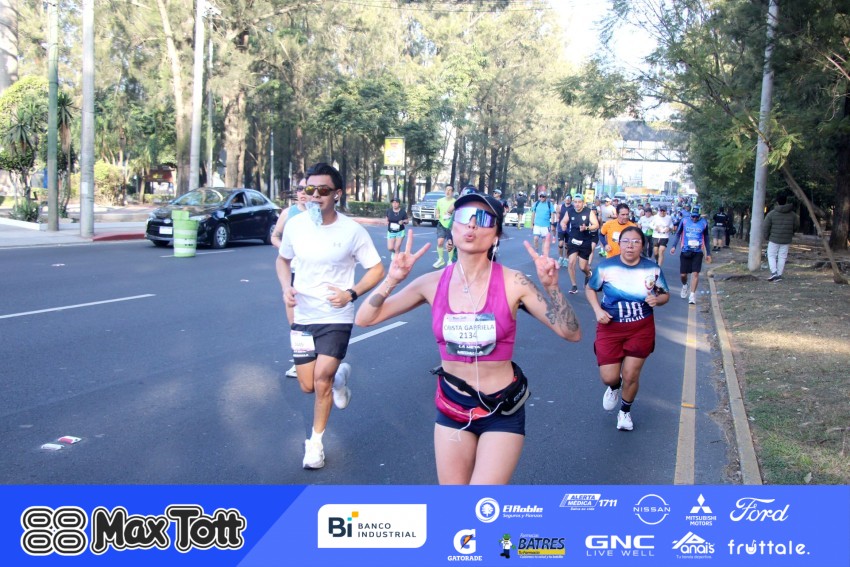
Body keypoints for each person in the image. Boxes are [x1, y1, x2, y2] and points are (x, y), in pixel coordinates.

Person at [355, 193, 581, 484]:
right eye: (463, 217)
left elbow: (571, 332)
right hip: (452, 406)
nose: (472, 225)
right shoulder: (431, 283)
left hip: (501, 409)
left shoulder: (514, 282)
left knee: (479, 501)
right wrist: (392, 279)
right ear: (453, 227)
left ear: (496, 234)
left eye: (483, 219)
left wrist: (552, 287)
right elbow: (365, 319)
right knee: (455, 504)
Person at [278, 162, 385, 469]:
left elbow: (377, 269)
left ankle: (315, 445)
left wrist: (351, 293)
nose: (315, 195)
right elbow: (283, 260)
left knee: (321, 380)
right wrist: (286, 287)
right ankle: (340, 376)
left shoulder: (352, 231)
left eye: (322, 190)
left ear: (336, 194)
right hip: (303, 315)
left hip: (336, 316)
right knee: (307, 385)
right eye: (309, 189)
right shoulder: (296, 225)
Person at [586, 226, 669, 431]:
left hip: (641, 327)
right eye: (626, 241)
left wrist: (657, 300)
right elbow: (590, 288)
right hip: (610, 326)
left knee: (631, 375)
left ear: (642, 245)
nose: (630, 246)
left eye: (635, 242)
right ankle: (615, 386)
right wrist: (597, 310)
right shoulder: (606, 267)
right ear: (619, 244)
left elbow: (665, 294)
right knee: (609, 377)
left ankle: (625, 412)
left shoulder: (652, 269)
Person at [273, 177, 308, 379]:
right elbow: (274, 237)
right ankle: (300, 363)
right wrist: (286, 250)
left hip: (314, 274)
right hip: (293, 272)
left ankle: (321, 359)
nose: (303, 192)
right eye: (300, 188)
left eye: (307, 189)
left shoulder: (320, 215)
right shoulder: (288, 213)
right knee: (295, 321)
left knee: (315, 319)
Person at [669, 206, 711, 305]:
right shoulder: (684, 221)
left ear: (699, 216)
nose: (694, 219)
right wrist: (674, 246)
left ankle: (692, 295)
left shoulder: (704, 223)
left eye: (696, 217)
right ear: (690, 215)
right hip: (685, 250)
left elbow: (706, 238)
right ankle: (685, 285)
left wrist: (708, 253)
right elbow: (678, 234)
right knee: (683, 275)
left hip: (698, 251)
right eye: (693, 217)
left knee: (695, 273)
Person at [559, 193, 599, 294]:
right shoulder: (570, 211)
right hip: (573, 240)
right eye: (575, 202)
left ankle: (588, 273)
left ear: (583, 203)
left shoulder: (588, 212)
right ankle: (574, 285)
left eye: (579, 202)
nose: (577, 204)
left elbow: (596, 225)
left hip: (585, 241)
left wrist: (586, 228)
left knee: (582, 267)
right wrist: (563, 225)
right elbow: (563, 221)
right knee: (571, 263)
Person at [763, 194, 799, 282]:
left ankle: (774, 272)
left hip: (774, 239)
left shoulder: (771, 214)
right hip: (786, 239)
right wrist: (791, 232)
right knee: (782, 256)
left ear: (777, 202)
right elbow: (796, 226)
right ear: (786, 201)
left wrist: (766, 236)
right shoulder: (793, 215)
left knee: (771, 255)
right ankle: (779, 274)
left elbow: (766, 227)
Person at [433, 185, 456, 268]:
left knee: (450, 244)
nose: (448, 192)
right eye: (446, 190)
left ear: (452, 192)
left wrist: (451, 215)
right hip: (441, 224)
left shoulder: (455, 202)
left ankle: (450, 260)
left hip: (451, 225)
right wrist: (437, 214)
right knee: (440, 242)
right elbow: (437, 209)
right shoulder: (439, 201)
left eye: (450, 190)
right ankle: (441, 259)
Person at [556, 195, 573, 268]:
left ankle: (566, 258)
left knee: (567, 244)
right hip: (561, 228)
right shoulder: (560, 207)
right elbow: (557, 215)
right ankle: (560, 257)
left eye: (569, 199)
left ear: (571, 200)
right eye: (566, 199)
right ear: (564, 200)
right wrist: (557, 219)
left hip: (569, 228)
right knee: (560, 243)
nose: (567, 200)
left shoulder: (573, 208)